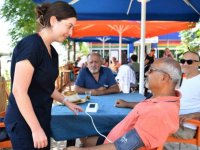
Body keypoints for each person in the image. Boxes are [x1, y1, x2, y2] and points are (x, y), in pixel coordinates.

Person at [4, 2, 83, 150]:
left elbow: (46, 87)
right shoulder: (31, 45)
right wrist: (35, 129)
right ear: (53, 21)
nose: (71, 33)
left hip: (41, 118)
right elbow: (19, 91)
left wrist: (66, 101)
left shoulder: (52, 53)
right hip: (24, 122)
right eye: (69, 26)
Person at [67, 57, 182, 150]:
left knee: (79, 138)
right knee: (85, 136)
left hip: (116, 144)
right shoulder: (163, 100)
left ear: (164, 78)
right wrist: (127, 104)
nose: (147, 73)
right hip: (115, 138)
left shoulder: (160, 112)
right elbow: (149, 106)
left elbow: (123, 146)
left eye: (151, 70)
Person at [164, 51, 200, 149]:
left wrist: (193, 115)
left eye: (189, 62)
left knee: (146, 132)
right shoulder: (181, 79)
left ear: (198, 63)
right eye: (183, 61)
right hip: (171, 121)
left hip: (185, 127)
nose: (184, 64)